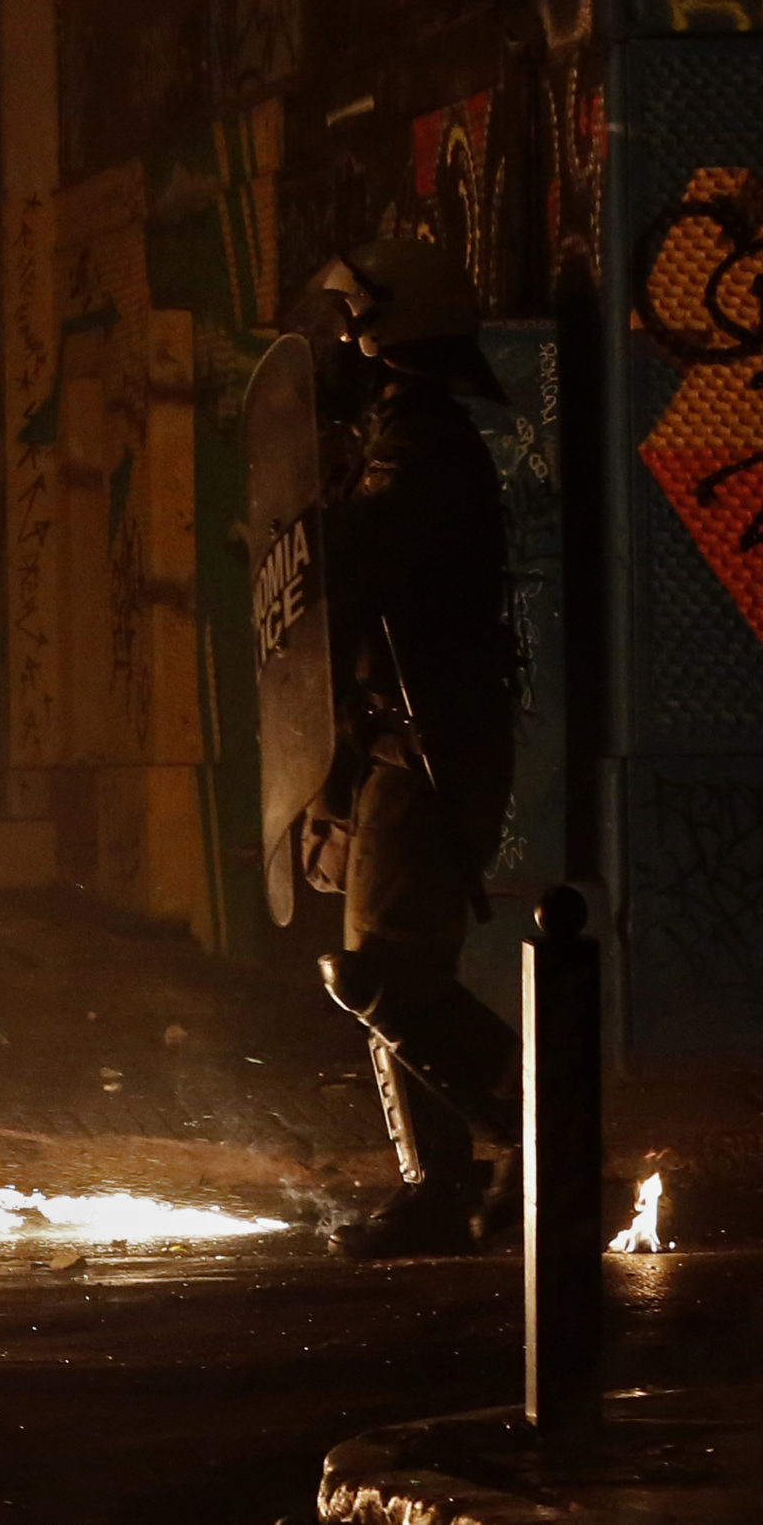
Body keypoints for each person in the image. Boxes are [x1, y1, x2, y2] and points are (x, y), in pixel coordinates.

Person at [298, 238, 522, 1259]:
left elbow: (355, 557)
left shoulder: (419, 449)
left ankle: (541, 1136)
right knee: (399, 966)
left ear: (384, 338)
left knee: (380, 972)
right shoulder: (396, 437)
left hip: (427, 741)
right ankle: (439, 1187)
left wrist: (305, 516)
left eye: (348, 326)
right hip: (389, 736)